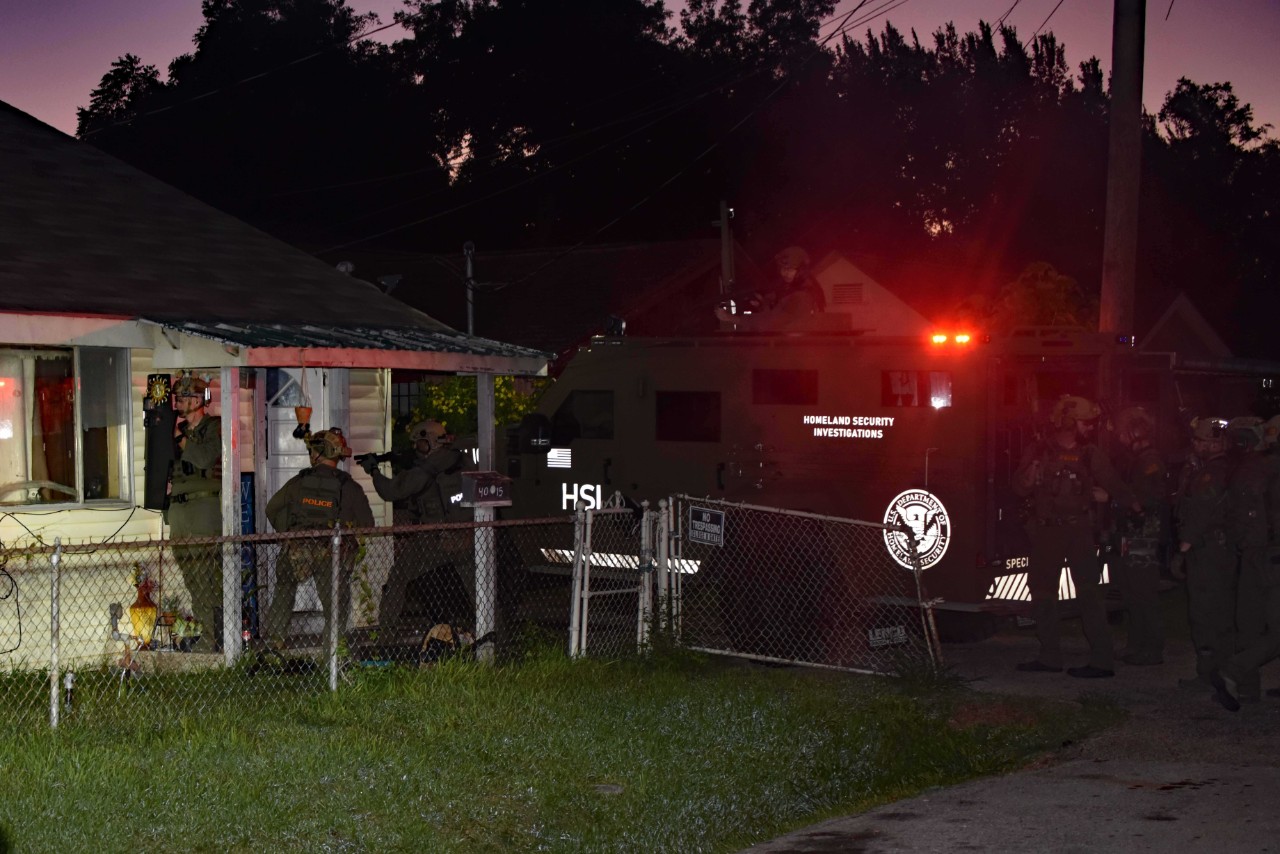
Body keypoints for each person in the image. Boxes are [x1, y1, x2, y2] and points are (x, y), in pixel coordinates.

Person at [1012, 395, 1138, 678]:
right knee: (1043, 592)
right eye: (1085, 422)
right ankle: (1050, 656)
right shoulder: (1038, 450)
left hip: (1079, 529)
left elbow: (1115, 484)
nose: (1090, 428)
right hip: (1047, 531)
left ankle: (1102, 660)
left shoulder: (1091, 453)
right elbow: (1018, 488)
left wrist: (1131, 504)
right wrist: (1027, 478)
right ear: (1069, 421)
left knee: (1090, 593)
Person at [360, 419, 473, 636]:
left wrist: (374, 471)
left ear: (428, 442)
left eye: (419, 443)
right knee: (481, 590)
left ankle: (385, 636)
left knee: (398, 578)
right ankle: (495, 638)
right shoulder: (461, 460)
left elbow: (392, 491)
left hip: (435, 539)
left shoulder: (426, 469)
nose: (416, 448)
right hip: (468, 535)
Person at [265, 428, 373, 648]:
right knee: (336, 607)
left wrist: (290, 533)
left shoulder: (298, 483)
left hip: (295, 550)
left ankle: (274, 646)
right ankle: (332, 656)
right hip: (332, 553)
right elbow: (368, 525)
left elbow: (272, 508)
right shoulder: (349, 487)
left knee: (284, 591)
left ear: (317, 454)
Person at [1213, 415, 1280, 710]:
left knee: (1249, 624)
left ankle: (1247, 689)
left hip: (1251, 553)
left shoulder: (1248, 466)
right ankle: (1233, 671)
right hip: (1273, 555)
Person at [1175, 417, 1236, 689]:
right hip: (1222, 549)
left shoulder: (1212, 473)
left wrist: (1184, 546)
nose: (1195, 445)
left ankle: (1209, 673)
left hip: (1208, 551)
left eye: (1200, 441)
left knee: (1204, 612)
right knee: (1220, 610)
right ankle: (1220, 670)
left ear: (1213, 443)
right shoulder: (1229, 468)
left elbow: (1201, 510)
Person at [166, 372, 222, 652]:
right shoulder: (174, 431)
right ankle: (208, 633)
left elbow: (203, 457)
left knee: (206, 576)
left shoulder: (214, 426)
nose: (183, 401)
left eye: (189, 396)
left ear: (202, 400)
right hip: (179, 509)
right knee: (192, 578)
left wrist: (181, 438)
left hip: (204, 508)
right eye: (180, 396)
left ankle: (214, 637)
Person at [1112, 406, 1169, 666]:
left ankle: (1153, 648)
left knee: (1144, 592)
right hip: (1131, 535)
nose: (1120, 438)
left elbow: (1143, 500)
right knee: (1131, 591)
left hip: (1143, 536)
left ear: (1135, 432)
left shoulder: (1150, 462)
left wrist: (1115, 496)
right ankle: (1136, 644)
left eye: (1124, 433)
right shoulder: (1136, 460)